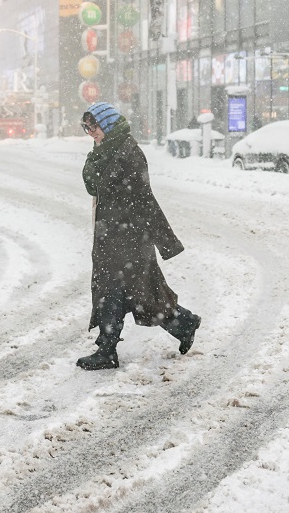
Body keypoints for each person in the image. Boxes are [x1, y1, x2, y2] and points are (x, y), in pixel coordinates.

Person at [78, 102, 200, 370]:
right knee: (128, 293)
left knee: (128, 292)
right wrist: (94, 156)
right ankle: (183, 324)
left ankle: (108, 350)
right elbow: (91, 185)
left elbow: (142, 197)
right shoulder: (104, 150)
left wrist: (159, 238)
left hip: (129, 238)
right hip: (113, 236)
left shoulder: (128, 152)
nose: (90, 132)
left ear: (107, 124)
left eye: (94, 126)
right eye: (86, 127)